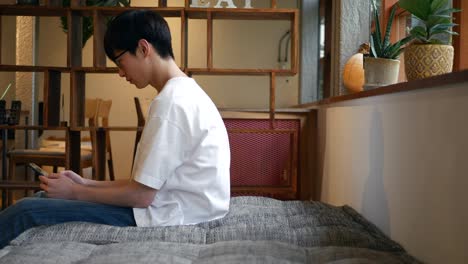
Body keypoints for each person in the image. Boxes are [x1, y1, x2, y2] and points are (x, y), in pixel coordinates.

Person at [0, 10, 231, 249]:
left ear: (143, 48)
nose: (121, 73)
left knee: (27, 210)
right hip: (181, 208)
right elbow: (140, 185)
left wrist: (76, 193)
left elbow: (141, 196)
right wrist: (83, 184)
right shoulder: (185, 93)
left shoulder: (171, 103)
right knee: (42, 198)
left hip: (173, 217)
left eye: (120, 61)